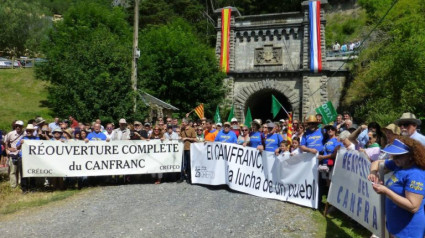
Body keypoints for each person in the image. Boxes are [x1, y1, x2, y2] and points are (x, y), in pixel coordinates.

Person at [368, 138, 425, 238]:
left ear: (411, 156)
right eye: (394, 156)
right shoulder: (400, 165)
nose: (394, 159)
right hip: (396, 225)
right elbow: (376, 163)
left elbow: (413, 206)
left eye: (398, 156)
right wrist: (373, 173)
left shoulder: (416, 174)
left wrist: (385, 191)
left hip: (408, 230)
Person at [4, 120, 25, 188]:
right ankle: (13, 186)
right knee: (13, 171)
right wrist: (9, 149)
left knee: (20, 170)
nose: (18, 127)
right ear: (15, 126)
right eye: (17, 126)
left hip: (22, 154)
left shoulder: (24, 133)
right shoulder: (10, 134)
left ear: (22, 127)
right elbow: (6, 143)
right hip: (13, 154)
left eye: (19, 126)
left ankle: (20, 184)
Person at [179, 118, 196, 183]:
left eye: (183, 122)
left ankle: (189, 178)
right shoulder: (182, 129)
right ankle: (182, 177)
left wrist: (187, 138)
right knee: (182, 163)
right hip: (182, 149)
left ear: (186, 123)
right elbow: (180, 136)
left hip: (189, 148)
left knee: (189, 164)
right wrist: (180, 137)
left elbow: (195, 139)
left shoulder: (192, 129)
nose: (182, 123)